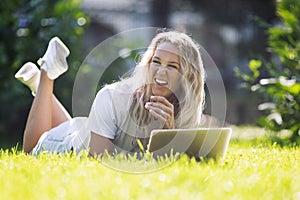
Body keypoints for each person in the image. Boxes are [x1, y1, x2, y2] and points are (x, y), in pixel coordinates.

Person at [15, 30, 206, 157]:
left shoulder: (184, 111)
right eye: (156, 62)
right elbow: (100, 163)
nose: (160, 72)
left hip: (86, 130)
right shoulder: (113, 97)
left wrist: (167, 135)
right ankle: (46, 75)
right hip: (67, 144)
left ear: (187, 77)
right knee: (30, 150)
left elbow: (179, 164)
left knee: (76, 128)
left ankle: (39, 84)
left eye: (172, 66)